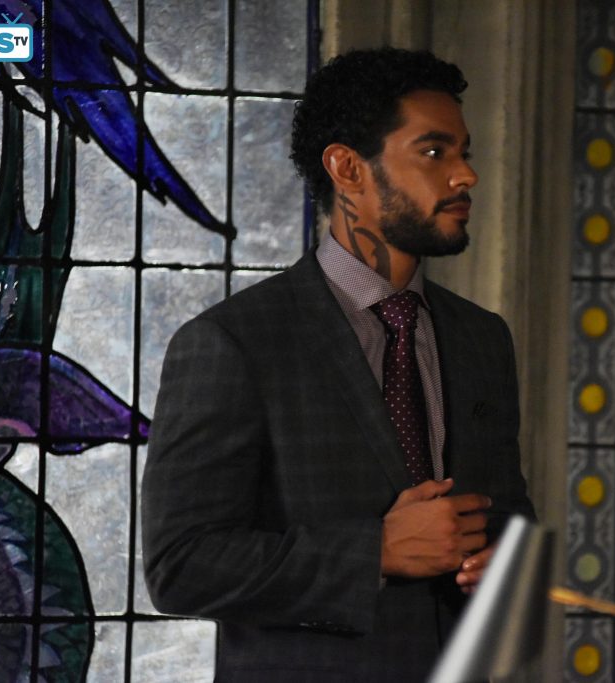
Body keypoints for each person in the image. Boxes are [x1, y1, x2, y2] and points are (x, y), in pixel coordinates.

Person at [140, 47, 535, 682]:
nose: (466, 176)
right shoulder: (232, 344)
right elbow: (180, 566)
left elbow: (508, 514)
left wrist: (508, 562)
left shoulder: (483, 339)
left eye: (465, 153)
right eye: (435, 152)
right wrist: (375, 553)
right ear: (348, 168)